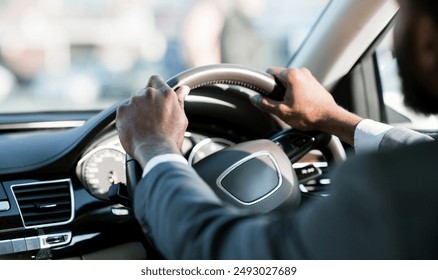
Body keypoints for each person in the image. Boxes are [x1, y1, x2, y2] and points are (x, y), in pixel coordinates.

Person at [115, 0, 438, 259]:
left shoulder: (386, 195)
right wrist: (332, 118)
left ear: (427, 40)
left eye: (402, 13)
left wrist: (155, 146)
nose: (392, 45)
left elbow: (229, 255)